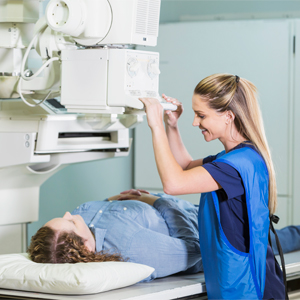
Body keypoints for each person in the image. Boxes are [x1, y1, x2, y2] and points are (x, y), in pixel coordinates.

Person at [139, 74, 286, 299]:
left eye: (201, 115)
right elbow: (185, 166)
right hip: (248, 282)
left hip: (250, 288)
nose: (195, 122)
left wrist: (155, 125)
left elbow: (173, 183)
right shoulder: (237, 157)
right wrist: (172, 125)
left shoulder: (234, 167)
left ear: (228, 116)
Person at [27, 190, 202, 282]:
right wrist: (155, 201)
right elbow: (194, 249)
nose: (68, 214)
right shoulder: (131, 246)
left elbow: (102, 209)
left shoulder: (77, 228)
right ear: (86, 247)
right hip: (206, 216)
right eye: (71, 222)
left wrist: (119, 199)